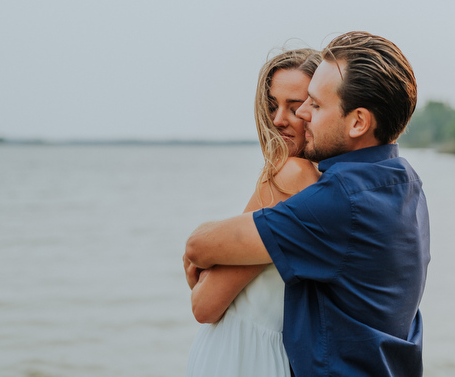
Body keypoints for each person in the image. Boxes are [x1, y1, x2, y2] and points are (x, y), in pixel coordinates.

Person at [184, 31, 431, 376]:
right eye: (273, 105)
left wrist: (197, 254)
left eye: (311, 103)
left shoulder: (324, 192)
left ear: (357, 121)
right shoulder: (405, 183)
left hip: (246, 357)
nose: (291, 116)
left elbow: (203, 295)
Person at [184, 48, 322, 376]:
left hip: (238, 353)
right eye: (272, 106)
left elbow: (204, 306)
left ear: (320, 106)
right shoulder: (325, 183)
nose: (277, 120)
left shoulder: (288, 176)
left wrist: (200, 265)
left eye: (295, 106)